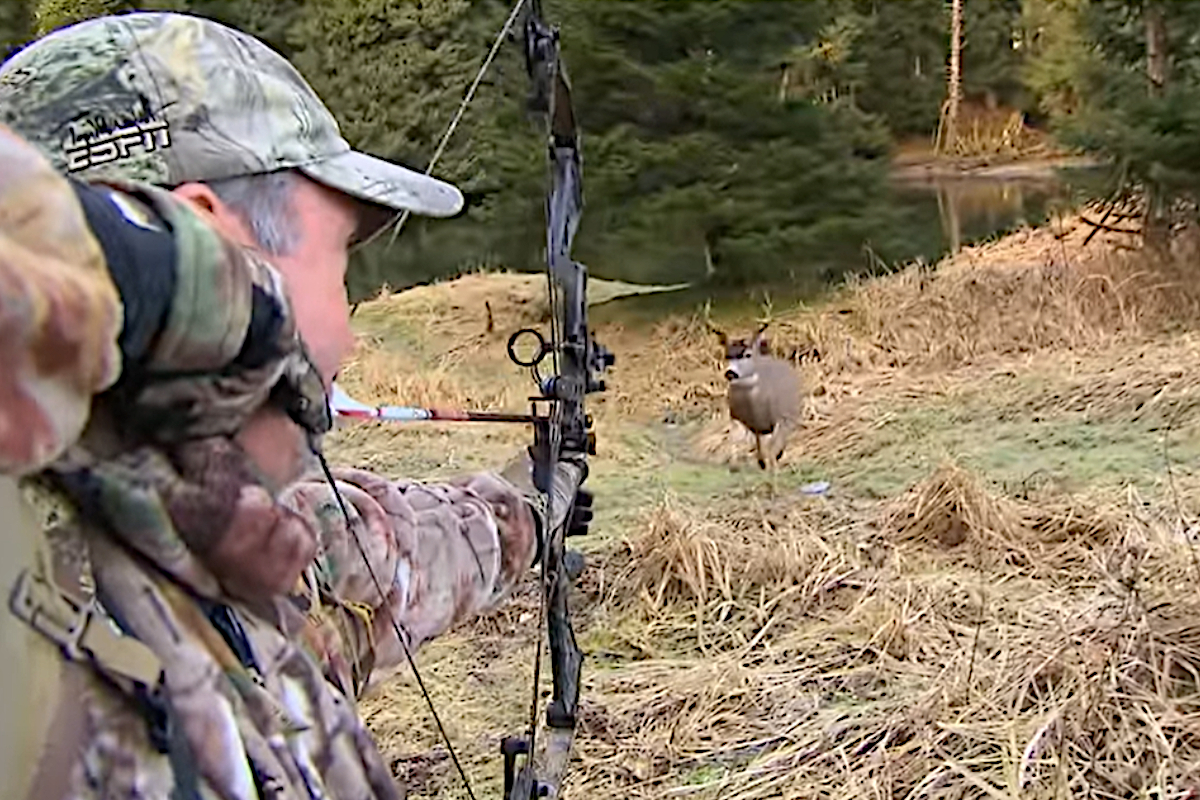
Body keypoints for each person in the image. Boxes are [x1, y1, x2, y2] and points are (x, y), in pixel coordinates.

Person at [0, 10, 586, 800]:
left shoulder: (206, 549)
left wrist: (540, 494)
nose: (344, 335)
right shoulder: (50, 653)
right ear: (213, 251)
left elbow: (384, 555)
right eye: (340, 261)